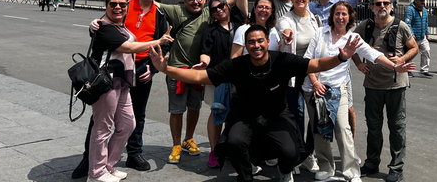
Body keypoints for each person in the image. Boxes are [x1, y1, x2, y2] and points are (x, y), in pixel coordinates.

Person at [148, 24, 364, 182]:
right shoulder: (237, 65)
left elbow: (315, 64)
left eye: (260, 41)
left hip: (278, 115)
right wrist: (165, 69)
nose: (256, 45)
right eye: (251, 42)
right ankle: (246, 177)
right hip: (245, 116)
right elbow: (199, 77)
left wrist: (341, 58)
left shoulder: (281, 60)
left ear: (267, 42)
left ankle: (284, 171)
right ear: (246, 45)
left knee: (290, 153)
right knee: (234, 142)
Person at [71, 0, 172, 178]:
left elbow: (167, 44)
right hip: (109, 73)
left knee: (134, 118)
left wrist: (152, 69)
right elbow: (107, 28)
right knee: (101, 122)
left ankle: (132, 154)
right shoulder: (124, 5)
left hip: (139, 69)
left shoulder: (160, 12)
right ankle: (90, 162)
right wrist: (94, 24)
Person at [304, 2, 415, 182]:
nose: (340, 17)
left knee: (343, 128)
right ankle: (326, 166)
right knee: (319, 129)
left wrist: (395, 66)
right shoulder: (320, 33)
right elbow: (308, 61)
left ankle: (351, 171)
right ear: (332, 16)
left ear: (350, 17)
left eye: (344, 14)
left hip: (337, 89)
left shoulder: (353, 38)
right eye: (337, 13)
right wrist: (315, 82)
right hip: (315, 87)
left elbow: (374, 55)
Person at [354, 0, 419, 182]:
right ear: (372, 7)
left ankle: (396, 167)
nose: (382, 6)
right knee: (373, 127)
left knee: (396, 127)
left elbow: (414, 47)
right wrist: (358, 63)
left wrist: (402, 58)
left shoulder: (400, 26)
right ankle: (372, 163)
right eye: (377, 3)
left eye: (385, 3)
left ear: (391, 6)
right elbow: (350, 44)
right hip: (372, 84)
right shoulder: (366, 26)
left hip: (395, 85)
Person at [200, 0, 251, 168]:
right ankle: (214, 151)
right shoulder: (210, 29)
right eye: (214, 9)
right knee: (217, 111)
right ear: (211, 14)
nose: (219, 10)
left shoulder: (240, 20)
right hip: (219, 76)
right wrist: (203, 64)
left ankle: (231, 146)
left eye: (222, 6)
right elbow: (206, 52)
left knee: (237, 112)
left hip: (241, 76)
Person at [158, 0, 212, 164]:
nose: (195, 2)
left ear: (205, 0)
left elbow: (234, 0)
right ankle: (176, 145)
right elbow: (153, 2)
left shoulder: (209, 13)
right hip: (177, 70)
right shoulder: (176, 11)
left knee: (195, 107)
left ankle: (188, 139)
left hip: (197, 72)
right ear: (184, 0)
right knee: (176, 109)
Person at [278, 0, 322, 172]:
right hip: (293, 74)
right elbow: (285, 30)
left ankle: (309, 154)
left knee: (315, 115)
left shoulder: (314, 19)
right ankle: (296, 153)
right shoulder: (285, 19)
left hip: (312, 73)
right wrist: (287, 35)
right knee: (297, 114)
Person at [404, 0, 431, 77]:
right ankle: (407, 70)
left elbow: (426, 22)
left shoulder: (424, 10)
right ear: (416, 1)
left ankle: (424, 70)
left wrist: (427, 32)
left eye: (423, 0)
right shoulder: (410, 10)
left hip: (422, 36)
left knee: (426, 51)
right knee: (411, 53)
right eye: (421, 0)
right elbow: (407, 23)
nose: (423, 2)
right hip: (413, 37)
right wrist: (411, 34)